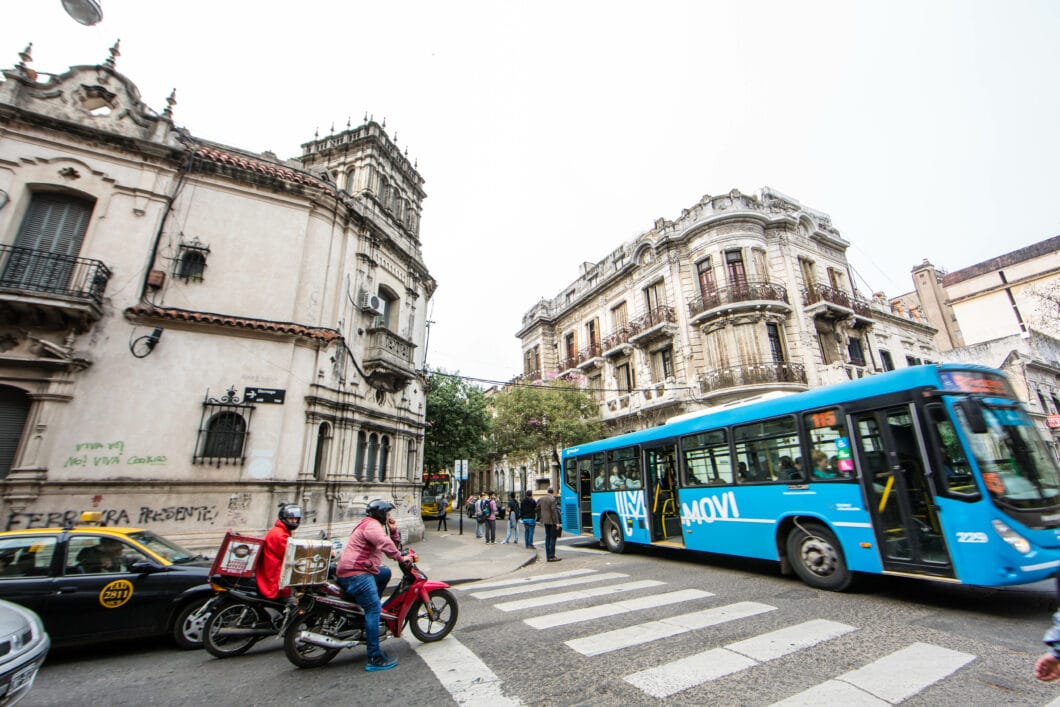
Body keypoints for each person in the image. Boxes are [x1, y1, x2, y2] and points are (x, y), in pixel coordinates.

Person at [335, 499, 410, 672]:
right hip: (357, 573)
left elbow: (391, 543)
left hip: (359, 569)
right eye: (387, 513)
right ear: (381, 514)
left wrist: (393, 531)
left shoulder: (370, 523)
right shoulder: (372, 526)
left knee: (385, 573)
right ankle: (374, 657)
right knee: (374, 609)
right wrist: (400, 558)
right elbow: (384, 544)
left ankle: (366, 607)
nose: (389, 516)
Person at [256, 503, 301, 600]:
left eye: (296, 519)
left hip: (271, 568)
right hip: (274, 573)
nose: (294, 521)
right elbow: (290, 555)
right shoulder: (281, 535)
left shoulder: (279, 530)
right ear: (284, 518)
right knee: (291, 598)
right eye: (291, 519)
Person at [538, 486, 562, 563]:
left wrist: (541, 516)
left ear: (547, 491)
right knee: (553, 538)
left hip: (545, 521)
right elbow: (554, 511)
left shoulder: (541, 499)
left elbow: (537, 508)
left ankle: (548, 556)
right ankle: (552, 556)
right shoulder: (552, 499)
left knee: (547, 537)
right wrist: (557, 522)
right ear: (553, 492)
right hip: (552, 521)